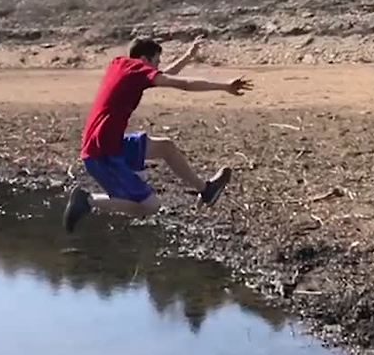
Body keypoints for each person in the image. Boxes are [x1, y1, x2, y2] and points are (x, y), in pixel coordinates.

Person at [63, 36, 253, 233]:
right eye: (157, 60)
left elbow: (162, 76)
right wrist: (225, 86)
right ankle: (88, 201)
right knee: (150, 206)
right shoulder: (136, 70)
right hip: (101, 152)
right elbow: (183, 84)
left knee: (165, 147)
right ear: (145, 59)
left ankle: (206, 190)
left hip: (110, 143)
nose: (158, 66)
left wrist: (187, 57)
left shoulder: (121, 65)